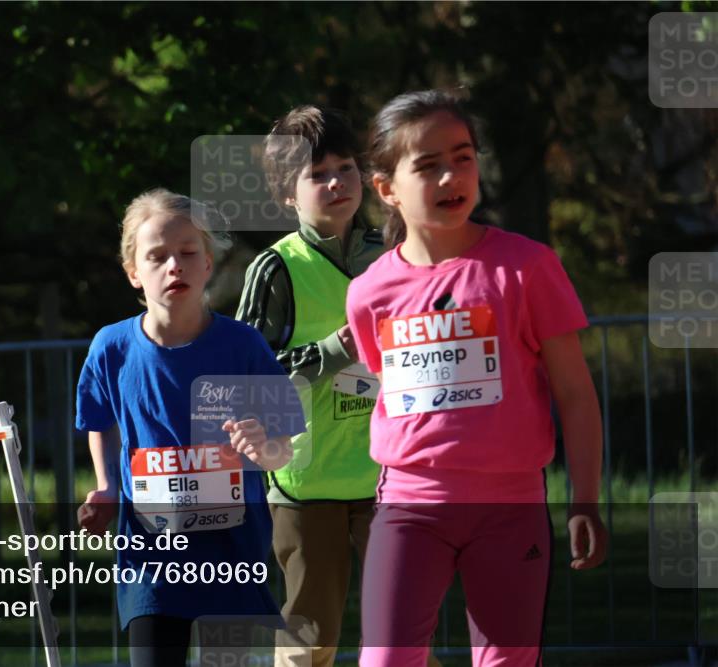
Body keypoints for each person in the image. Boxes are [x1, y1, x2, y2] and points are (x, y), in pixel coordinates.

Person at [346, 89, 608, 667]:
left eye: (463, 157)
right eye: (429, 164)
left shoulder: (528, 266)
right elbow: (387, 391)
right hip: (409, 507)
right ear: (387, 188)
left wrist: (584, 500)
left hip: (511, 507)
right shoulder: (367, 293)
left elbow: (575, 393)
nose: (451, 175)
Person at [75, 188, 306, 667]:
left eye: (187, 253)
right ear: (133, 272)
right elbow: (101, 420)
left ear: (208, 263)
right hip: (151, 559)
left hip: (232, 551)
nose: (174, 266)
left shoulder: (243, 346)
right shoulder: (111, 347)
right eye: (157, 257)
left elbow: (284, 446)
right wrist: (106, 486)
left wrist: (265, 449)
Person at [236, 105, 387, 667]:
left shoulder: (395, 256)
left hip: (389, 477)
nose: (336, 183)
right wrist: (334, 351)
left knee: (401, 634)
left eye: (346, 168)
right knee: (308, 646)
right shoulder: (275, 270)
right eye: (317, 174)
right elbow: (248, 380)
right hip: (307, 481)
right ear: (287, 195)